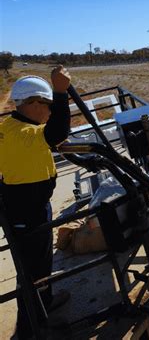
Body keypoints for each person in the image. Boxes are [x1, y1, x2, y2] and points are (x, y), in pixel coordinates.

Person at [0, 66, 72, 339]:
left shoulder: (9, 127)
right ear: (32, 104)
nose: (50, 111)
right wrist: (62, 92)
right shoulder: (26, 135)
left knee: (41, 264)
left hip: (28, 207)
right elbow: (57, 133)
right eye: (48, 105)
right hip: (27, 213)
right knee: (30, 273)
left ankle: (47, 303)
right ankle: (29, 330)